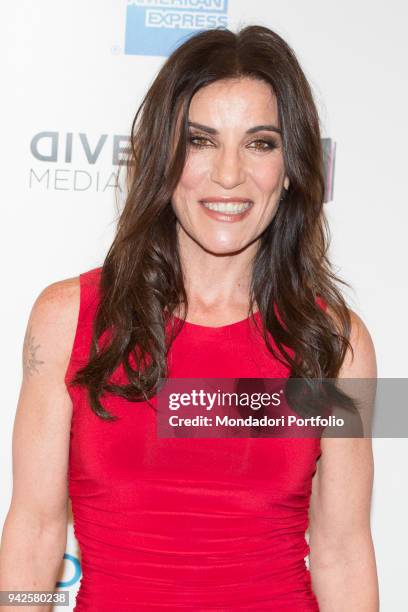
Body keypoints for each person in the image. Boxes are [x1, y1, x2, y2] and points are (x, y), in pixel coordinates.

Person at [0, 25, 379, 611]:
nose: (229, 174)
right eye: (201, 141)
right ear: (162, 155)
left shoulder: (335, 343)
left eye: (260, 143)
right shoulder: (65, 319)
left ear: (292, 166)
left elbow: (342, 550)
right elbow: (35, 530)